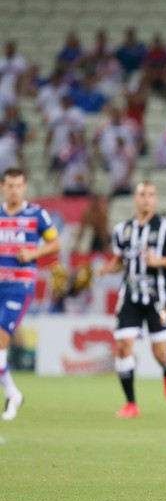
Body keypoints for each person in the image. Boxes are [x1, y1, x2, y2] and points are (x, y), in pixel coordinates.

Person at [98, 181, 166, 418]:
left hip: (157, 300)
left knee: (160, 353)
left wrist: (159, 262)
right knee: (122, 346)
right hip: (130, 296)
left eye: (151, 195)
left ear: (156, 200)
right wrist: (108, 269)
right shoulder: (123, 230)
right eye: (142, 194)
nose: (147, 199)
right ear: (135, 199)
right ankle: (131, 404)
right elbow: (121, 260)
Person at [0, 168, 61, 420]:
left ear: (24, 187)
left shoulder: (36, 214)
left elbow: (55, 243)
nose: (14, 190)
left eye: (18, 185)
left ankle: (13, 394)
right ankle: (13, 393)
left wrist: (33, 255)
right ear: (3, 187)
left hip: (19, 287)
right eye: (10, 185)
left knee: (1, 339)